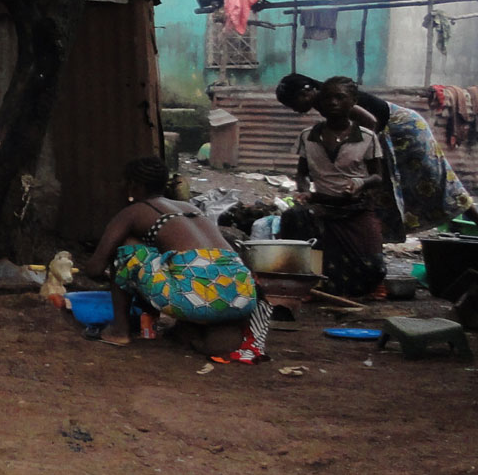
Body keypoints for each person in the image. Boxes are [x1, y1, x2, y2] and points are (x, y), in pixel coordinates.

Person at [83, 156, 261, 355]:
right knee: (181, 267)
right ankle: (206, 330)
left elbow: (95, 268)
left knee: (127, 248)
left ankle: (119, 331)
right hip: (242, 293)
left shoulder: (133, 212)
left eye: (123, 182)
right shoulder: (191, 208)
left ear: (134, 186)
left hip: (194, 296)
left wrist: (119, 280)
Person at [276, 72, 474, 232]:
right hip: (385, 133)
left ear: (305, 93)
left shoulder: (330, 98)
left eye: (292, 104)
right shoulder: (322, 101)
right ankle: (370, 241)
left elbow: (370, 121)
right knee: (379, 192)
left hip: (402, 128)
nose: (294, 110)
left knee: (438, 181)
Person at [283, 76, 396, 299]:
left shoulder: (367, 137)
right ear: (320, 102)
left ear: (353, 101)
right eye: (327, 98)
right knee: (293, 217)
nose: (333, 103)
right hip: (322, 207)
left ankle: (358, 283)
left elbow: (377, 177)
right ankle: (301, 282)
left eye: (340, 98)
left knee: (375, 269)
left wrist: (361, 183)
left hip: (356, 208)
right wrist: (304, 190)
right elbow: (302, 173)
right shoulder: (308, 136)